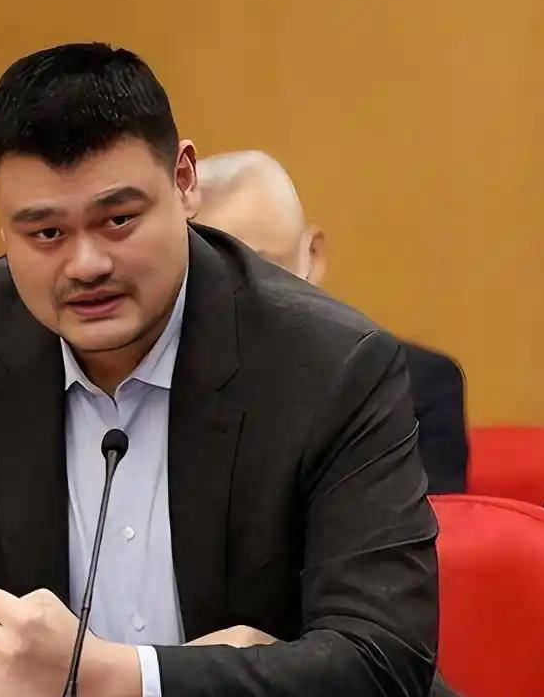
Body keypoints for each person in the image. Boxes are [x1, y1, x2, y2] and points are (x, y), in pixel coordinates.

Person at [0, 43, 438, 697]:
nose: (86, 265)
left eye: (117, 220)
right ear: (2, 224)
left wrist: (122, 678)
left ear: (184, 181)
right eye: (46, 234)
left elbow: (382, 659)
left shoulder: (329, 364)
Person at [196, 150, 469, 494]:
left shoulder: (414, 386)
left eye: (260, 269)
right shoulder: (161, 390)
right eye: (206, 276)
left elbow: (427, 525)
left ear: (312, 256)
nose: (232, 298)